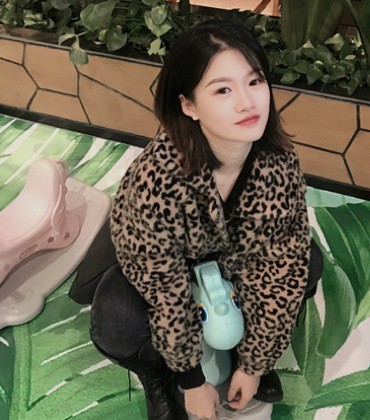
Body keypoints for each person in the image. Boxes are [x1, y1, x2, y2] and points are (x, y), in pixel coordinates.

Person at [87, 19, 323, 420]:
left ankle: (246, 354)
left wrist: (254, 363)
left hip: (235, 267)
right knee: (118, 318)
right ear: (189, 105)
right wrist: (191, 380)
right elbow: (163, 285)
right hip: (171, 271)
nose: (247, 103)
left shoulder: (279, 163)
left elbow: (280, 266)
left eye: (255, 81)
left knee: (308, 261)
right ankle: (159, 377)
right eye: (223, 90)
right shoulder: (157, 179)